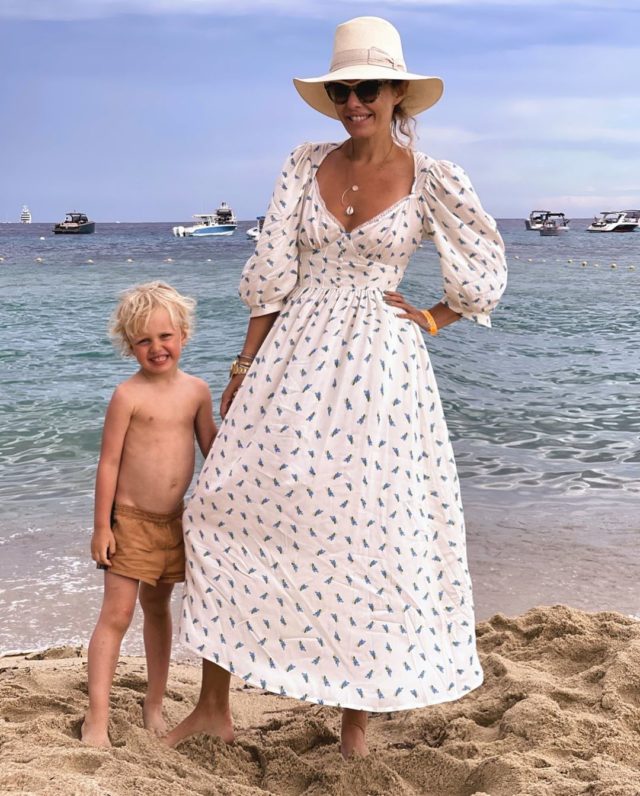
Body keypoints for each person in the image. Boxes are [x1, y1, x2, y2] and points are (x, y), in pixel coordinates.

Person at [166, 16, 507, 758]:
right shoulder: (303, 163)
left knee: (368, 533)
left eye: (369, 89)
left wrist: (435, 317)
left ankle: (355, 726)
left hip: (381, 368)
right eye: (342, 90)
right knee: (224, 505)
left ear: (396, 94)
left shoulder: (433, 177)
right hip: (291, 353)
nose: (354, 102)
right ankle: (213, 706)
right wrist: (242, 367)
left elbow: (483, 270)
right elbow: (272, 276)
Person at [81, 281, 217, 748]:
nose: (156, 348)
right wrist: (102, 527)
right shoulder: (128, 396)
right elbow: (109, 464)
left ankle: (153, 704)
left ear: (183, 335)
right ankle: (97, 718)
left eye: (165, 336)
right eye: (143, 340)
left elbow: (213, 450)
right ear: (129, 344)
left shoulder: (197, 391)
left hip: (174, 523)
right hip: (130, 522)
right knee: (117, 614)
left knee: (158, 610)